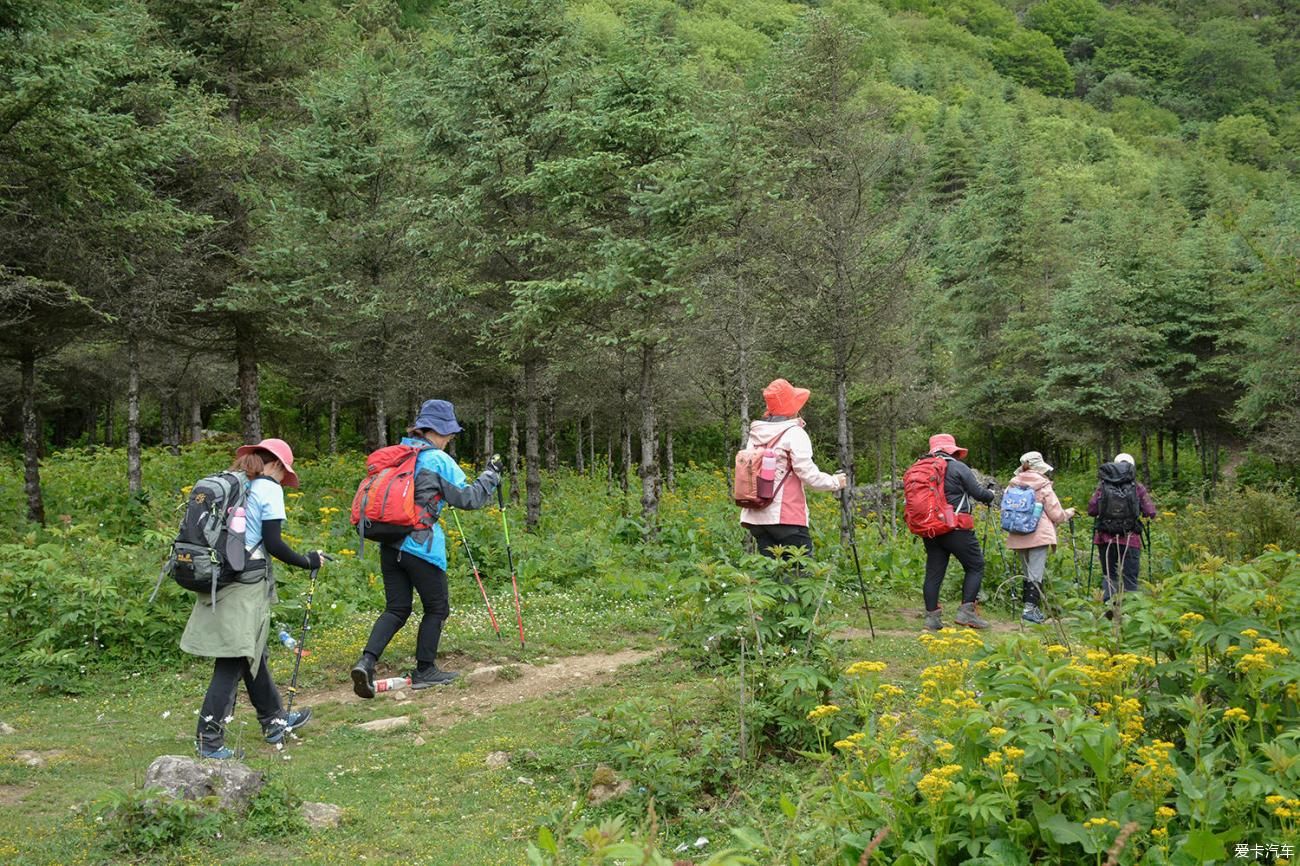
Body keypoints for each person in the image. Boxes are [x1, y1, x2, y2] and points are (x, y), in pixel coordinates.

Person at [182, 438, 323, 760]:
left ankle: (274, 720)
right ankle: (209, 740)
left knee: (252, 652)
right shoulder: (268, 488)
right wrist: (308, 561)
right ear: (276, 465)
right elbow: (273, 543)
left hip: (222, 577)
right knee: (232, 659)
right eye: (283, 472)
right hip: (245, 583)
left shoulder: (239, 484)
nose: (282, 480)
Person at [351, 399, 502, 698]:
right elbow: (469, 498)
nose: (450, 439)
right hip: (421, 546)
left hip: (388, 542)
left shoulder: (400, 456)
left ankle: (366, 662)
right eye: (448, 434)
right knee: (436, 608)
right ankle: (425, 669)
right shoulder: (437, 460)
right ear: (436, 431)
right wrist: (491, 476)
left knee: (396, 608)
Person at [738, 378, 847, 559]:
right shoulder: (794, 433)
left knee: (772, 575)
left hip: (756, 517)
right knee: (801, 570)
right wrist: (835, 482)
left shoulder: (756, 434)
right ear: (792, 406)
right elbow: (807, 473)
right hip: (785, 516)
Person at [921, 433, 996, 631]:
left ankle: (931, 619)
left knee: (934, 572)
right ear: (951, 449)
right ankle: (966, 613)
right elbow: (979, 493)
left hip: (930, 528)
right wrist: (991, 495)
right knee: (975, 565)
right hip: (956, 527)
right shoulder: (957, 467)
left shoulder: (922, 468)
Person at [1004, 451, 1075, 624]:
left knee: (1027, 571)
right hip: (1038, 534)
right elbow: (1056, 514)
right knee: (1036, 573)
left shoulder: (1012, 485)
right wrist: (1069, 513)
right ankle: (1030, 610)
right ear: (1039, 467)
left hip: (1018, 532)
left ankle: (1030, 608)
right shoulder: (1043, 486)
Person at [1087, 452, 1156, 608]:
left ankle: (1109, 609)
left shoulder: (1103, 486)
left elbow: (1092, 510)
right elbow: (1150, 512)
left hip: (1105, 538)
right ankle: (1130, 610)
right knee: (1130, 576)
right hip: (1130, 538)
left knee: (1110, 575)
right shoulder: (1137, 487)